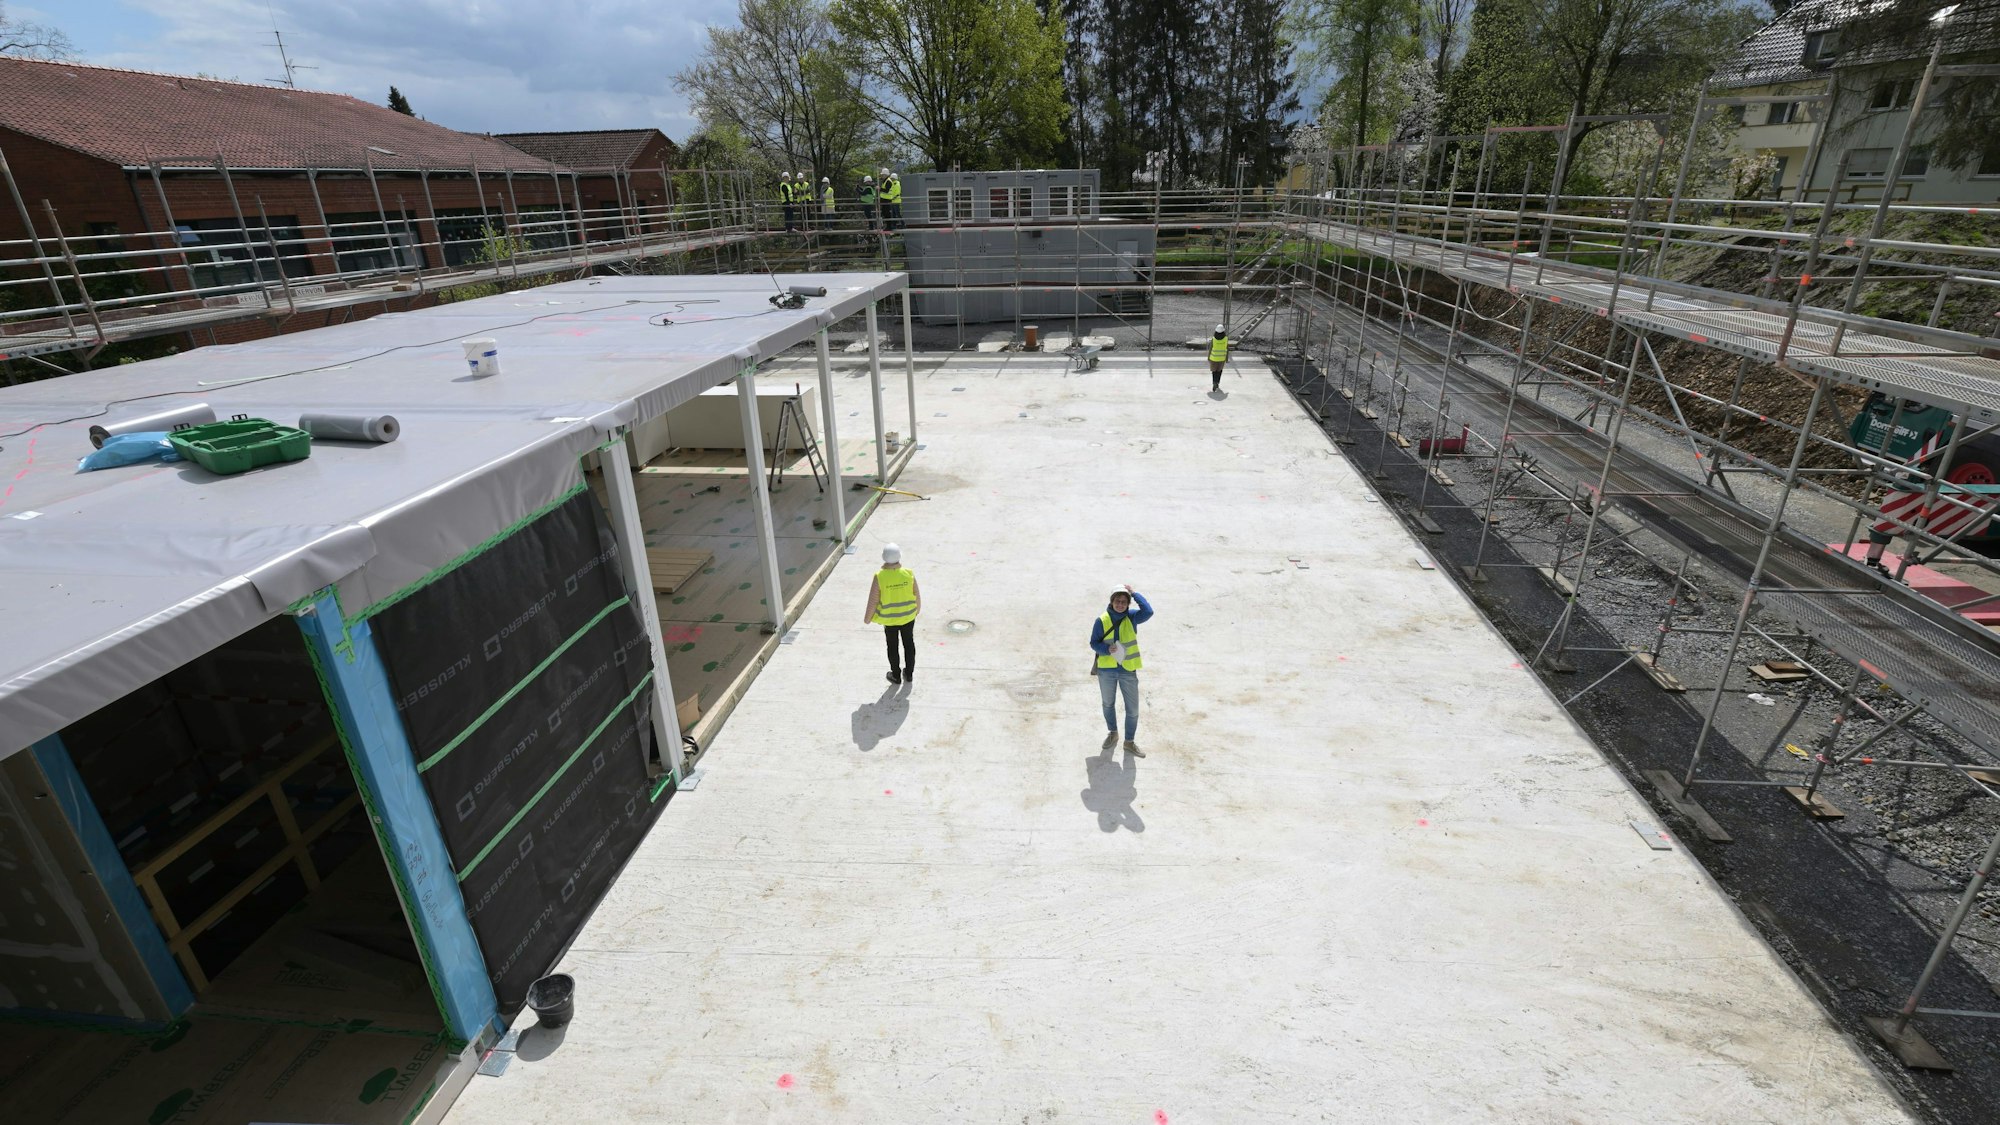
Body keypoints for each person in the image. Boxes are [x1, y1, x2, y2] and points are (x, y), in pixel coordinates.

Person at [1090, 585, 1153, 756]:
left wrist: (1134, 593)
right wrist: (1105, 649)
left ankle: (1129, 742)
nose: (1120, 604)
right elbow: (1093, 642)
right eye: (1117, 601)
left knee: (1132, 710)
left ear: (1128, 604)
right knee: (1108, 704)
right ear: (1111, 602)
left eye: (1124, 602)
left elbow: (1148, 611)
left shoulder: (1132, 617)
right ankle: (1113, 733)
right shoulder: (1101, 620)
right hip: (1107, 670)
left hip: (1127, 670)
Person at [864, 543, 921, 684]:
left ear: (883, 558)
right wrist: (916, 611)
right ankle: (909, 674)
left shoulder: (880, 576)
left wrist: (867, 618)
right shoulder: (908, 573)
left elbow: (873, 599)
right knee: (909, 644)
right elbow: (917, 594)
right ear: (899, 556)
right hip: (908, 617)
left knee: (892, 646)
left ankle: (896, 675)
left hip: (890, 620)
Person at [1208, 324, 1230, 392]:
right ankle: (1217, 383)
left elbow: (1210, 348)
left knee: (1214, 372)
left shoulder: (1213, 339)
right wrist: (1226, 358)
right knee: (1219, 371)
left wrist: (1208, 357)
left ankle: (1214, 382)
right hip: (1222, 358)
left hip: (1214, 358)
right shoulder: (1226, 339)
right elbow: (1227, 348)